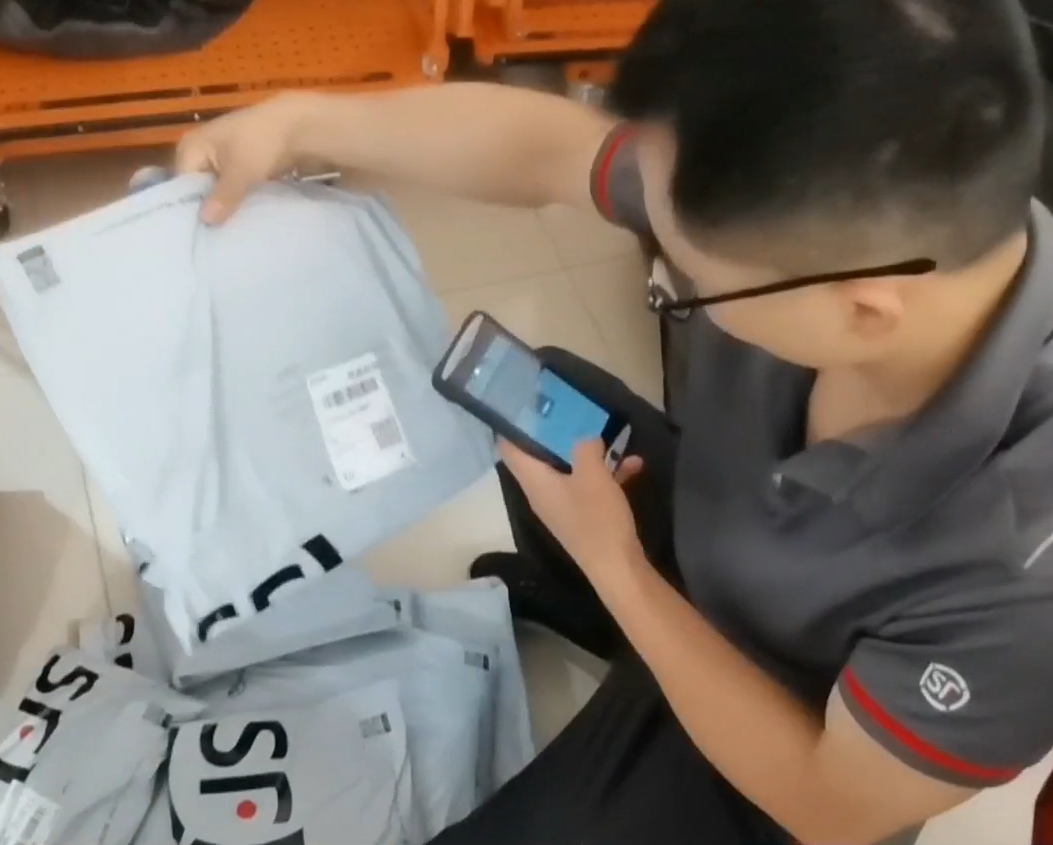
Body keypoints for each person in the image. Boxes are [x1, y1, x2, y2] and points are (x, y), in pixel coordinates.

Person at [175, 0, 1053, 842]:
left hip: (803, 734)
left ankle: (618, 612)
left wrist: (618, 564)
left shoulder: (1022, 577)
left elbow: (834, 811)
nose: (672, 275)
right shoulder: (830, 196)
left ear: (862, 311)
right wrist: (304, 123)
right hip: (728, 532)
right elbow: (553, 150)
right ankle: (598, 612)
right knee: (537, 397)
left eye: (687, 279)